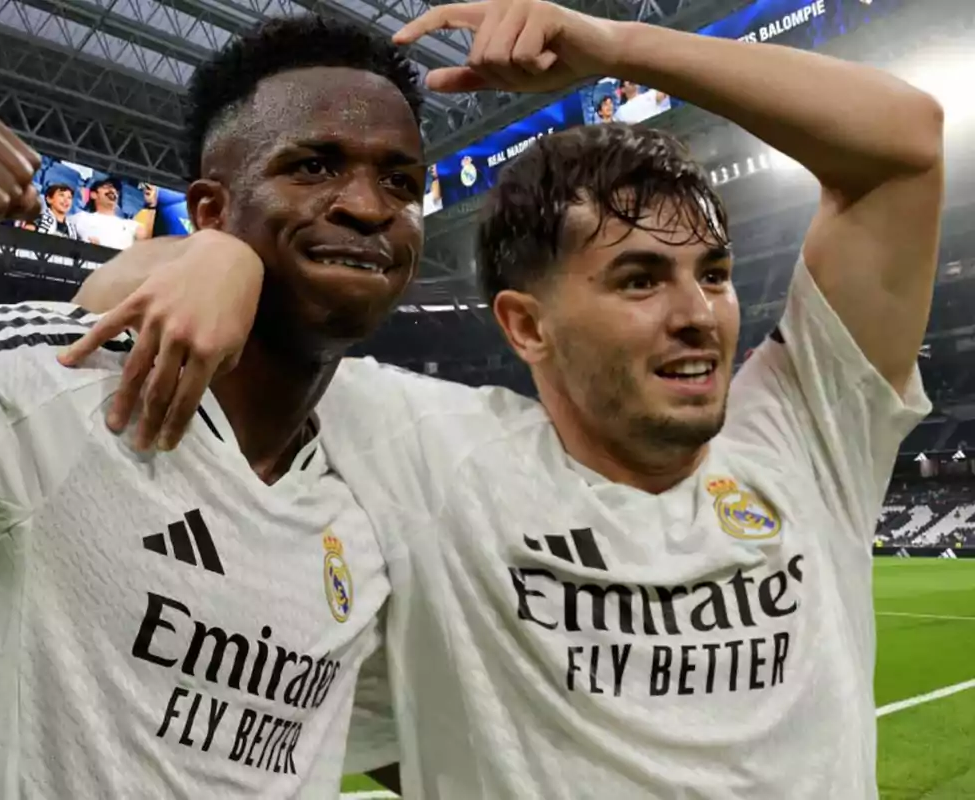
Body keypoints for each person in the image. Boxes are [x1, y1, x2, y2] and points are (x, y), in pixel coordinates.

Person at [73, 0, 944, 796]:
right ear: (526, 326)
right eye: (639, 281)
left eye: (711, 274)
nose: (699, 316)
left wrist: (613, 48)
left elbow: (906, 141)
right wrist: (220, 257)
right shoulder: (420, 443)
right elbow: (110, 297)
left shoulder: (808, 433)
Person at [0, 15, 428, 797]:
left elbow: (435, 754)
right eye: (314, 166)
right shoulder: (51, 380)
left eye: (402, 181)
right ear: (211, 214)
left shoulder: (370, 501)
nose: (368, 204)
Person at [68, 176, 153, 249]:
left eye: (115, 190)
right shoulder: (80, 218)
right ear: (94, 194)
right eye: (107, 187)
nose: (113, 190)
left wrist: (153, 203)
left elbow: (151, 241)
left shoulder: (130, 225)